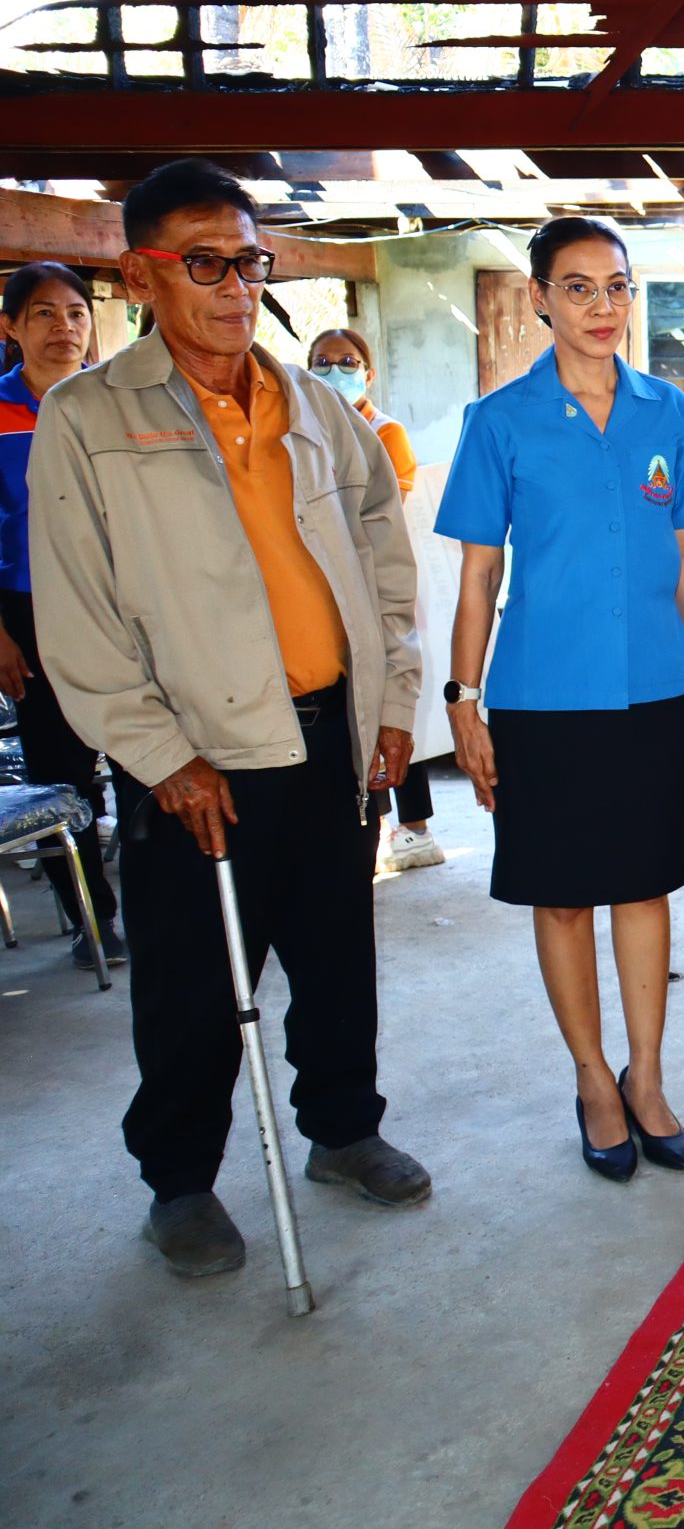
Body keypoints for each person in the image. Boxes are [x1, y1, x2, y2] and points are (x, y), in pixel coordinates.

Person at [30, 158, 430, 1276]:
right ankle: (181, 1182)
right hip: (200, 761)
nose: (234, 286)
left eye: (247, 262)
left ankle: (343, 1130)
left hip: (330, 737)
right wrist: (160, 756)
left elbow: (385, 559)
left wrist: (391, 702)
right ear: (142, 274)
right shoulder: (88, 417)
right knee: (197, 985)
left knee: (338, 958)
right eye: (204, 262)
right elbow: (79, 612)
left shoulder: (311, 402)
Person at [437, 216, 684, 1182]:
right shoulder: (500, 421)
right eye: (581, 287)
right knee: (561, 896)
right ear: (542, 298)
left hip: (651, 687)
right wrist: (463, 700)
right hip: (540, 696)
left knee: (644, 883)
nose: (604, 307)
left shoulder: (665, 411)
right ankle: (593, 1079)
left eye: (619, 286)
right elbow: (478, 577)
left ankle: (647, 1078)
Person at [0, 262, 125, 969]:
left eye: (76, 313)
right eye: (43, 314)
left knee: (145, 758)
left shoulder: (115, 405)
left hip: (120, 604)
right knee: (61, 767)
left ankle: (165, 900)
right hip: (30, 612)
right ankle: (91, 920)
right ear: (11, 326)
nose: (64, 328)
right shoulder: (0, 412)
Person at [307, 326, 444, 873]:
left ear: (367, 372)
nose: (334, 370)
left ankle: (414, 828)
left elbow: (384, 522)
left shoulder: (384, 433)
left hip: (381, 587)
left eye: (346, 361)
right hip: (331, 594)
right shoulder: (305, 424)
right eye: (321, 361)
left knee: (396, 710)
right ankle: (375, 821)